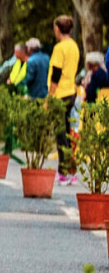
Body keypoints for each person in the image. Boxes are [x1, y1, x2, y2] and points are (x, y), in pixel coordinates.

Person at [47, 15, 80, 185]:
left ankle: (64, 172)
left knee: (60, 134)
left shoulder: (59, 48)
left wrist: (50, 96)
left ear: (57, 29)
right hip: (71, 92)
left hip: (59, 93)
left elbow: (56, 74)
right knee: (67, 132)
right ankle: (71, 171)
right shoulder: (74, 46)